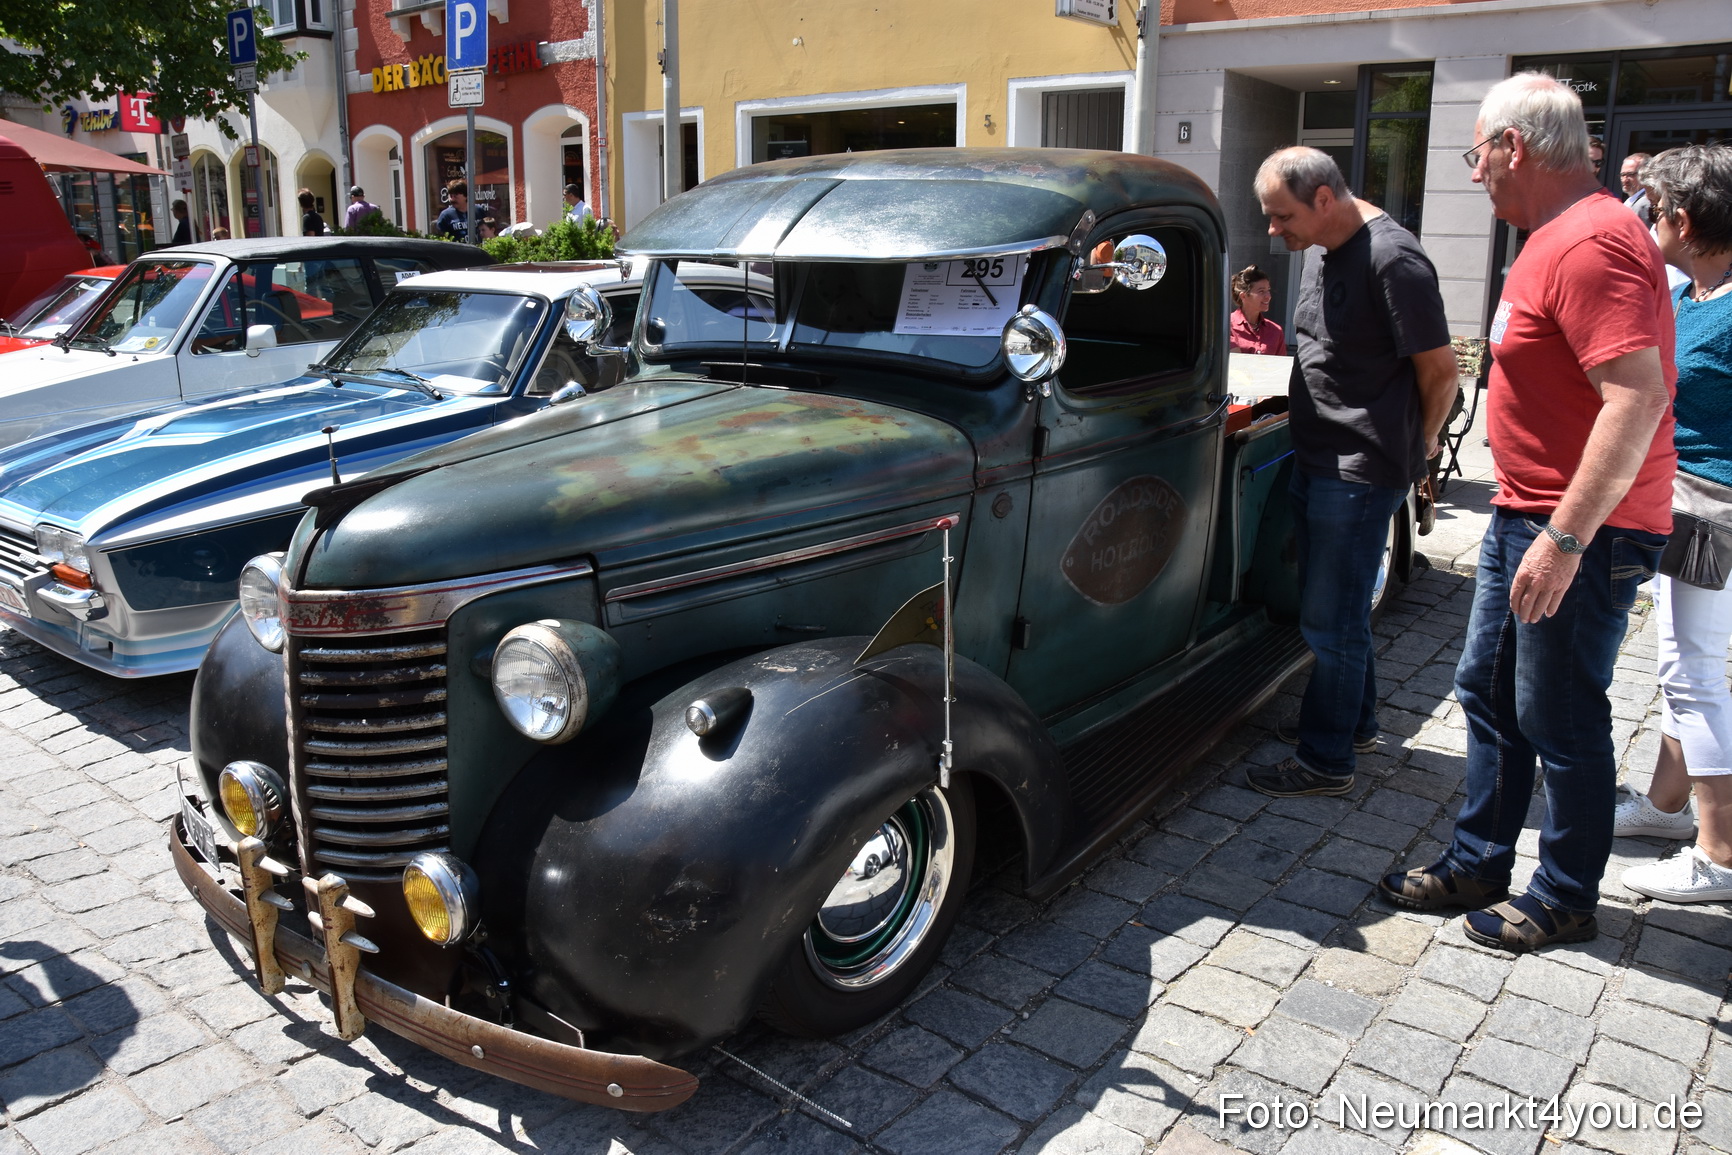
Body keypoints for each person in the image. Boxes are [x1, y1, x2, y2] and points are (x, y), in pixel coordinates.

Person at [1380, 73, 1675, 950]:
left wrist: (1566, 537)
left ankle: (1567, 895)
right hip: (1531, 514)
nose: (1475, 174)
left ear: (1515, 145)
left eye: (1478, 154)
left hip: (1579, 528)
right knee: (1489, 691)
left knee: (1561, 712)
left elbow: (1637, 398)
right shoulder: (1556, 236)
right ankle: (1480, 860)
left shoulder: (1592, 241)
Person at [1248, 147, 1456, 799]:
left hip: (1360, 470)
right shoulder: (1322, 244)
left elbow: (1441, 371)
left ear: (1323, 199)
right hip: (1317, 456)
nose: (1273, 231)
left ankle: (1326, 759)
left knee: (1329, 620)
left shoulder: (1394, 258)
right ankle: (1354, 722)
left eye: (1282, 216)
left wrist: (1421, 445)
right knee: (1338, 608)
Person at [1615, 144, 1732, 902]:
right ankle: (1665, 807)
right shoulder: (1694, 292)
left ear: (1684, 221)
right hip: (1683, 503)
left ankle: (1719, 853)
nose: (1646, 221)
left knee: (1694, 673)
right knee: (1681, 664)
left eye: (1654, 211)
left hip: (1711, 511)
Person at [1228, 265, 1287, 355]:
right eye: (1261, 291)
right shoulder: (1227, 326)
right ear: (1243, 296)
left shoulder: (1276, 331)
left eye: (1268, 290)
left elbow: (1281, 362)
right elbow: (1233, 360)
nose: (1268, 296)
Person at [1621, 152, 1654, 225]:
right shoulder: (1631, 201)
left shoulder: (1644, 203)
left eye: (1630, 174)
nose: (1625, 180)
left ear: (1646, 174)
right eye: (1623, 175)